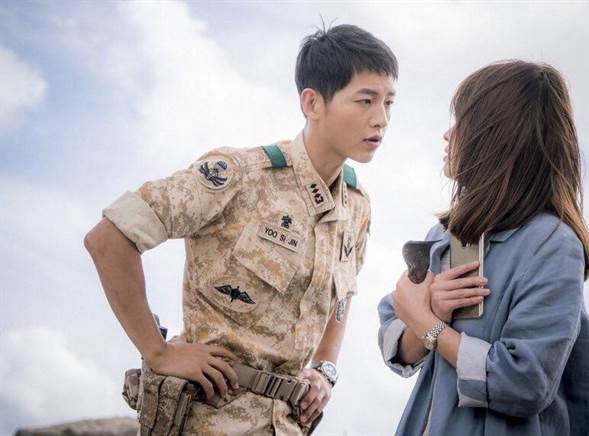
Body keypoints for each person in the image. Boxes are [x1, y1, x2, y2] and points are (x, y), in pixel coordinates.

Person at [85, 24, 397, 435]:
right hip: (207, 419)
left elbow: (343, 296)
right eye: (365, 101)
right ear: (313, 103)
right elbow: (109, 239)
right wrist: (157, 352)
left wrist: (325, 367)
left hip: (286, 425)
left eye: (389, 102)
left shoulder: (356, 205)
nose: (381, 119)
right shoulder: (241, 176)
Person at [378, 60, 589, 435]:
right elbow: (397, 342)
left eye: (461, 122)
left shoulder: (553, 245)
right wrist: (427, 314)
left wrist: (429, 325)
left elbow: (524, 382)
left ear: (494, 136)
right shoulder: (444, 237)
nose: (447, 135)